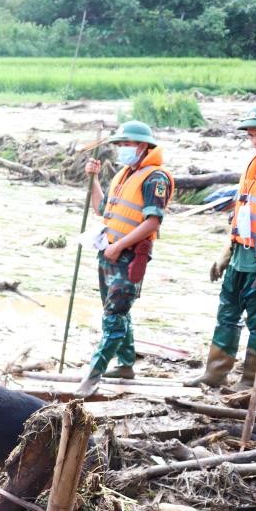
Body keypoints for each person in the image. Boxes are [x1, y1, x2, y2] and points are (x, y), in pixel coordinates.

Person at [76, 121, 174, 396]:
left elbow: (153, 221)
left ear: (142, 146)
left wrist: (119, 246)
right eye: (119, 145)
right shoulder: (124, 174)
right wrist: (93, 179)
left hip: (128, 257)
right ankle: (127, 364)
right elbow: (101, 208)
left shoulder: (155, 178)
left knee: (114, 315)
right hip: (108, 251)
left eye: (125, 145)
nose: (121, 150)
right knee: (117, 311)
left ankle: (93, 375)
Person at [197, 104, 256, 389]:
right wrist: (226, 252)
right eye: (251, 135)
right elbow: (244, 211)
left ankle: (249, 382)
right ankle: (214, 374)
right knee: (227, 313)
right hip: (241, 254)